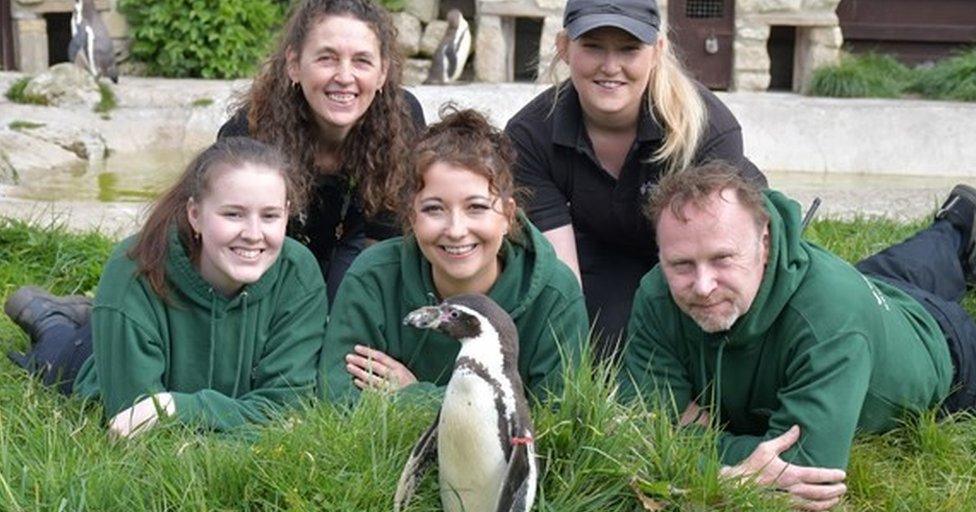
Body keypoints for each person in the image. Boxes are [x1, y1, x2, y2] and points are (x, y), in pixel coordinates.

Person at [620, 160, 976, 512]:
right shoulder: (656, 294)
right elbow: (641, 429)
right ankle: (959, 222)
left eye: (723, 258)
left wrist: (696, 438)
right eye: (681, 264)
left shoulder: (829, 318)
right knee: (930, 250)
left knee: (870, 293)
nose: (702, 286)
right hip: (875, 288)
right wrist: (736, 467)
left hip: (945, 344)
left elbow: (803, 468)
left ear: (766, 243)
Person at [4, 138, 328, 438]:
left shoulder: (298, 272)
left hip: (162, 372)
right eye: (233, 214)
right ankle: (52, 319)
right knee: (57, 352)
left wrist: (177, 408)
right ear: (196, 215)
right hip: (87, 360)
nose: (254, 234)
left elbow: (288, 411)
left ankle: (87, 315)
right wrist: (245, 422)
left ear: (287, 214)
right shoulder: (133, 268)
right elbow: (134, 420)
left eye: (270, 216)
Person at [505, 0, 766, 345]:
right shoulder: (529, 135)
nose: (611, 67)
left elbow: (715, 264)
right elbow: (564, 281)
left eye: (629, 49)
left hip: (702, 258)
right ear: (564, 47)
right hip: (603, 250)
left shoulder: (709, 128)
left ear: (657, 50)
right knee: (603, 340)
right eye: (593, 46)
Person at [321, 108, 588, 404]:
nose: (457, 230)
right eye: (434, 209)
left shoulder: (554, 295)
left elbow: (557, 422)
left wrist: (414, 396)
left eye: (477, 207)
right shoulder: (374, 278)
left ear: (508, 216)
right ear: (411, 217)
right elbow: (337, 400)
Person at [218, 0, 425, 303]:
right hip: (269, 264)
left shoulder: (402, 118)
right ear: (293, 65)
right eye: (327, 58)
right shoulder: (249, 132)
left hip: (357, 250)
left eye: (362, 61)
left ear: (382, 73)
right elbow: (230, 239)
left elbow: (384, 241)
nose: (344, 76)